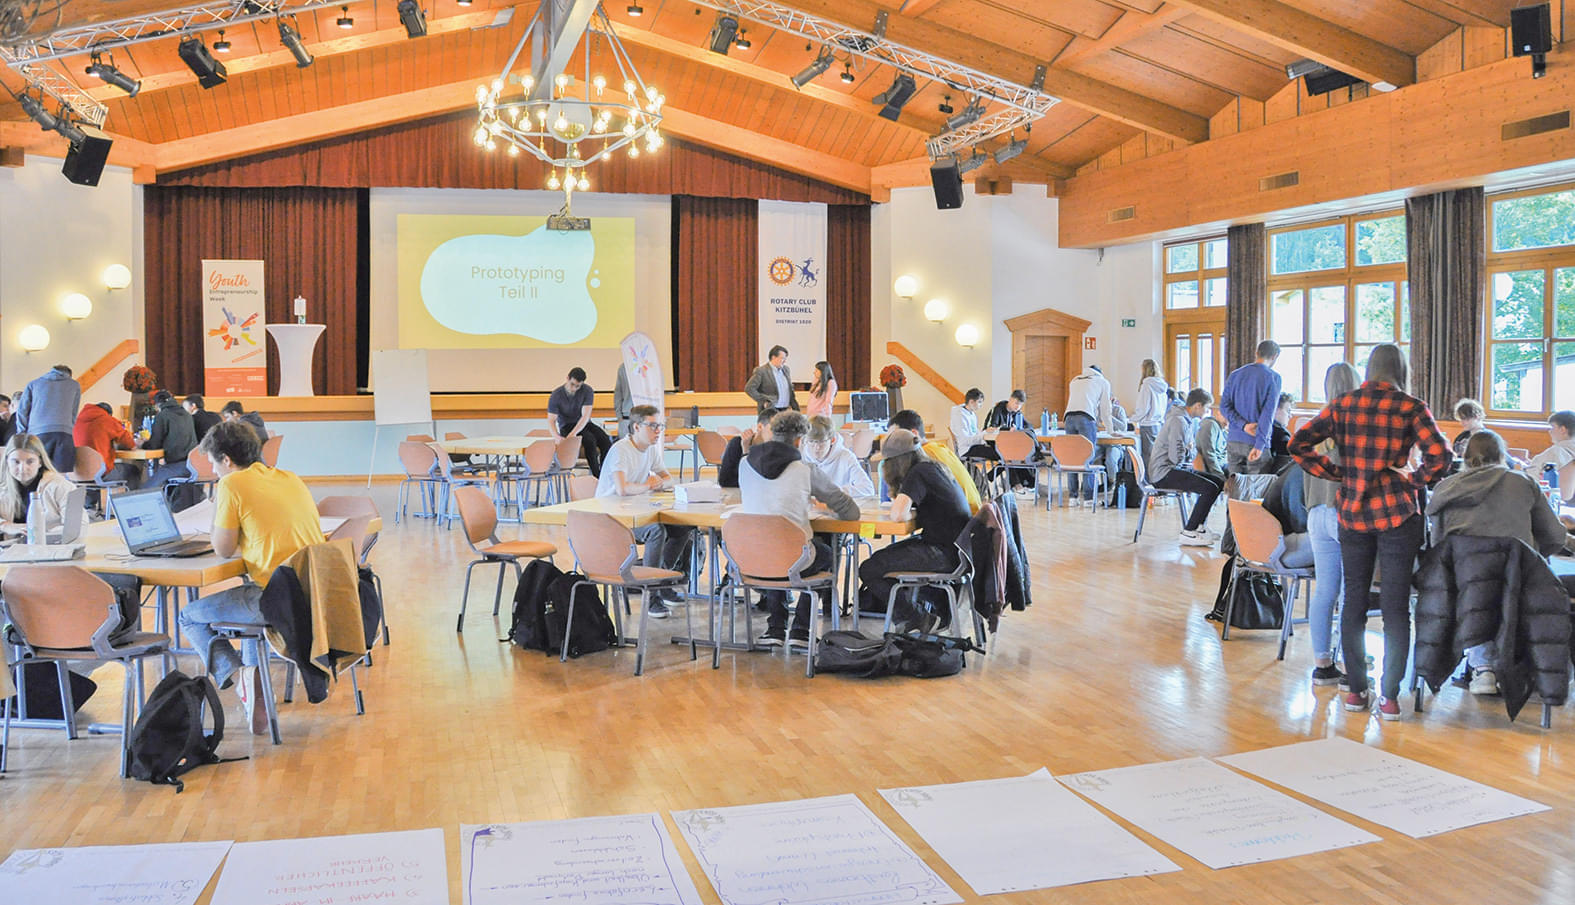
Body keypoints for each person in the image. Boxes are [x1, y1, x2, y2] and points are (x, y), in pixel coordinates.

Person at [1288, 343, 1452, 721]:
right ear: (1401, 369)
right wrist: (1415, 478)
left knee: (1353, 603)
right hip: (1398, 514)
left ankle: (1356, 692)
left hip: (1353, 513)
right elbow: (1441, 457)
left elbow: (1298, 444)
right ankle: (1390, 697)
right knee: (1396, 608)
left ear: (1369, 368)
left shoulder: (1342, 404)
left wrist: (1336, 472)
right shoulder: (1411, 406)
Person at [177, 420, 323, 734]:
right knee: (246, 595)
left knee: (188, 617)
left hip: (276, 597)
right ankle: (253, 689)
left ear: (226, 460)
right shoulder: (289, 477)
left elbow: (224, 548)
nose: (214, 471)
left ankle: (238, 674)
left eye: (215, 464)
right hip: (313, 592)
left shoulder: (232, 484)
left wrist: (219, 515)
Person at [1426, 429, 1566, 696]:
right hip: (1518, 579)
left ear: (1465, 457)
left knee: (1475, 586)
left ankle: (1482, 667)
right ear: (1503, 455)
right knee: (1516, 584)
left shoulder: (1445, 489)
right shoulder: (1523, 483)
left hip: (1464, 585)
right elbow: (1555, 535)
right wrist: (1535, 556)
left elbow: (1438, 546)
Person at [737, 411, 860, 647]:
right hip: (794, 560)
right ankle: (801, 630)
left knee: (773, 545)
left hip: (753, 559)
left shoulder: (744, 463)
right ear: (800, 440)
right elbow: (850, 511)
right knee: (826, 552)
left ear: (771, 434)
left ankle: (775, 628)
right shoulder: (804, 469)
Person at [857, 429, 972, 631]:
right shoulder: (933, 467)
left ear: (895, 462)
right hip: (959, 551)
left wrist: (902, 509)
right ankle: (926, 613)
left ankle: (916, 618)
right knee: (881, 558)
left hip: (944, 554)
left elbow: (897, 514)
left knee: (869, 569)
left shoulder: (917, 473)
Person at [595, 404, 692, 617]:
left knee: (683, 527)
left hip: (636, 511)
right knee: (656, 531)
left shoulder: (651, 450)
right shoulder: (621, 450)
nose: (659, 431)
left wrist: (657, 482)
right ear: (637, 427)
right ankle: (651, 596)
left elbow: (667, 478)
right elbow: (622, 489)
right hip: (612, 517)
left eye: (660, 426)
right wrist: (650, 485)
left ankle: (661, 583)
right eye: (653, 426)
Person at [1300, 362, 1359, 688]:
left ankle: (1323, 664)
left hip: (1316, 514)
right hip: (1345, 514)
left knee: (1324, 591)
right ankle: (1352, 666)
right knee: (1353, 593)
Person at [1147, 389, 1225, 546]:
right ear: (1197, 406)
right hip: (1164, 473)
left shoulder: (1186, 420)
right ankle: (1189, 531)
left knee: (1218, 482)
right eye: (1206, 408)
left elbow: (1189, 450)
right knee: (1209, 488)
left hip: (1173, 468)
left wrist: (1188, 450)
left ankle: (1200, 527)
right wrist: (1188, 450)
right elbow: (1177, 457)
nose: (1207, 411)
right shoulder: (1179, 421)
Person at [890, 409, 981, 515]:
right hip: (972, 516)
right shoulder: (939, 448)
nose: (891, 443)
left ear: (913, 434)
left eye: (895, 437)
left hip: (962, 522)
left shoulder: (924, 457)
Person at [1219, 340, 1282, 474]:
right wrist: (1260, 443)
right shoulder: (1273, 378)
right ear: (1274, 356)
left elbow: (1224, 407)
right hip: (1256, 441)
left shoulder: (1235, 375)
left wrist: (1243, 425)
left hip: (1234, 439)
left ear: (1256, 353)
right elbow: (1268, 414)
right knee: (1256, 491)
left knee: (1235, 489)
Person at [0, 434, 75, 534]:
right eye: (16, 462)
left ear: (40, 462)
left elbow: (76, 526)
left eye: (30, 461)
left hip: (51, 545)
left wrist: (39, 532)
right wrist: (5, 525)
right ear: (7, 462)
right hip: (10, 546)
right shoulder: (2, 485)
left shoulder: (61, 486)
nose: (22, 469)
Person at [547, 367, 614, 478]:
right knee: (589, 440)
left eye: (578, 386)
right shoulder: (556, 395)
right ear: (567, 379)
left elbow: (585, 416)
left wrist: (573, 435)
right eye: (572, 384)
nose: (574, 388)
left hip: (584, 423)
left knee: (605, 440)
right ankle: (597, 475)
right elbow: (551, 420)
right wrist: (556, 436)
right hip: (567, 425)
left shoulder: (587, 390)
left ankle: (605, 473)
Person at [13, 363, 80, 472]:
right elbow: (74, 411)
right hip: (63, 434)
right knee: (61, 474)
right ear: (69, 375)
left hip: (37, 433)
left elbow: (22, 410)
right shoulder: (74, 385)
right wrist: (68, 428)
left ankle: (39, 489)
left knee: (36, 471)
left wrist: (22, 433)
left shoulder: (34, 384)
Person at [1062, 364, 1113, 500]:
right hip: (1086, 417)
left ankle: (1073, 496)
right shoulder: (1103, 382)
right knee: (1088, 456)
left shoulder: (1075, 380)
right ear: (1100, 372)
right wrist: (1110, 430)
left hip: (1068, 417)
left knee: (1072, 457)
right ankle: (1088, 497)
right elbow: (1105, 409)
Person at [73, 402, 143, 490]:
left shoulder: (76, 421)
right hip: (101, 474)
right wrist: (134, 445)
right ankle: (132, 501)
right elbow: (128, 441)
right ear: (108, 413)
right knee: (133, 470)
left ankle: (89, 504)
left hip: (77, 473)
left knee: (90, 471)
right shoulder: (106, 419)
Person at [802, 415, 874, 498]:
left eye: (821, 442)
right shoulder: (801, 457)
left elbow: (868, 489)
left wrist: (832, 491)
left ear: (832, 440)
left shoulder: (846, 457)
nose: (817, 447)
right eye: (811, 442)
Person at [985, 389, 1039, 494]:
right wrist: (1007, 429)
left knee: (1022, 453)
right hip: (993, 442)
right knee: (1010, 455)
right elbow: (990, 428)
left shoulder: (1017, 413)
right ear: (1010, 399)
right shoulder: (998, 409)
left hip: (1009, 443)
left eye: (1020, 405)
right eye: (1016, 403)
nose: (1017, 407)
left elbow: (1028, 426)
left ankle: (1028, 483)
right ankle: (1017, 484)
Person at [144, 390, 198, 491]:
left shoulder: (163, 415)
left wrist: (142, 444)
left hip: (178, 465)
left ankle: (136, 501)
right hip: (194, 463)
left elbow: (154, 444)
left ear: (157, 405)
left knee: (150, 483)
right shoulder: (187, 414)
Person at [718, 410, 777, 488]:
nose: (778, 434)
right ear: (760, 427)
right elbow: (725, 481)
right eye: (774, 429)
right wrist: (746, 451)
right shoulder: (737, 443)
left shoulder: (775, 449)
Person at [1133, 359, 1170, 465]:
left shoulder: (1147, 385)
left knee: (1147, 457)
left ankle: (1148, 480)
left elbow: (1144, 407)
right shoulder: (1162, 385)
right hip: (1158, 424)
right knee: (1156, 455)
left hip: (1147, 424)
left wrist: (1133, 419)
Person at [744, 345, 798, 416]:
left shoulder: (786, 369)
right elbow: (749, 388)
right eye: (782, 358)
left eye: (785, 358)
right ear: (773, 357)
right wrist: (763, 401)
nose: (785, 361)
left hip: (786, 410)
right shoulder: (762, 371)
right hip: (770, 410)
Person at [1526, 410, 1575, 474]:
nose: (1550, 431)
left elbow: (1533, 477)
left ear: (1562, 430)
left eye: (1552, 427)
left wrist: (1526, 467)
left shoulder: (1555, 452)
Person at [950, 388, 993, 460]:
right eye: (979, 402)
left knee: (1000, 450)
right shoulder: (960, 415)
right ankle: (994, 471)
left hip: (973, 445)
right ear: (971, 402)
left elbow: (975, 433)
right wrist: (984, 434)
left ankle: (994, 471)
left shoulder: (971, 414)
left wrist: (985, 433)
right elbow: (965, 440)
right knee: (999, 453)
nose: (981, 405)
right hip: (967, 449)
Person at [1196, 409, 1228, 479]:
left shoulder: (1225, 432)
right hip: (1215, 471)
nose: (1228, 420)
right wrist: (1221, 478)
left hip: (1224, 466)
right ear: (1218, 413)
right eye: (1226, 416)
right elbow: (1209, 455)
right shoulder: (1210, 425)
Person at [613, 362, 634, 439]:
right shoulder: (623, 368)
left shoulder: (650, 365)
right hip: (626, 416)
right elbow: (618, 393)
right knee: (625, 447)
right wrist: (619, 417)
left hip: (645, 416)